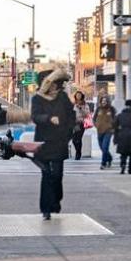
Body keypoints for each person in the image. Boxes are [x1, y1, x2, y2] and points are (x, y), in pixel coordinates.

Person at [30, 67, 76, 219]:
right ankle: (46, 209)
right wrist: (49, 118)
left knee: (57, 175)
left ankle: (55, 200)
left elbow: (71, 115)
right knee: (46, 175)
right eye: (55, 83)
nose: (57, 86)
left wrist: (68, 132)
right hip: (44, 142)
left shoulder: (62, 97)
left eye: (59, 83)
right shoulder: (37, 98)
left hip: (59, 142)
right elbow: (35, 116)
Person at [114, 98, 131, 174]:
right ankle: (130, 168)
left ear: (125, 106)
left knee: (123, 154)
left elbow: (115, 127)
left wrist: (115, 139)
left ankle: (123, 165)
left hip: (122, 135)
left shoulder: (120, 115)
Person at [93, 95, 117, 169]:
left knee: (105, 147)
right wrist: (96, 125)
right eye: (102, 101)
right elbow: (94, 118)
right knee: (102, 148)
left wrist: (113, 128)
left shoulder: (111, 109)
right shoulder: (98, 109)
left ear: (108, 101)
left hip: (108, 131)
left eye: (105, 101)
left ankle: (103, 163)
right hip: (99, 130)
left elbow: (115, 120)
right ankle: (109, 158)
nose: (104, 102)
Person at [70, 91, 90, 161]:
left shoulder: (84, 104)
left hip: (81, 123)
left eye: (80, 95)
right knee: (74, 140)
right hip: (74, 123)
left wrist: (80, 108)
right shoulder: (73, 104)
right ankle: (78, 152)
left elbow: (87, 114)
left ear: (82, 96)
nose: (78, 96)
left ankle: (78, 154)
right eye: (77, 95)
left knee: (78, 138)